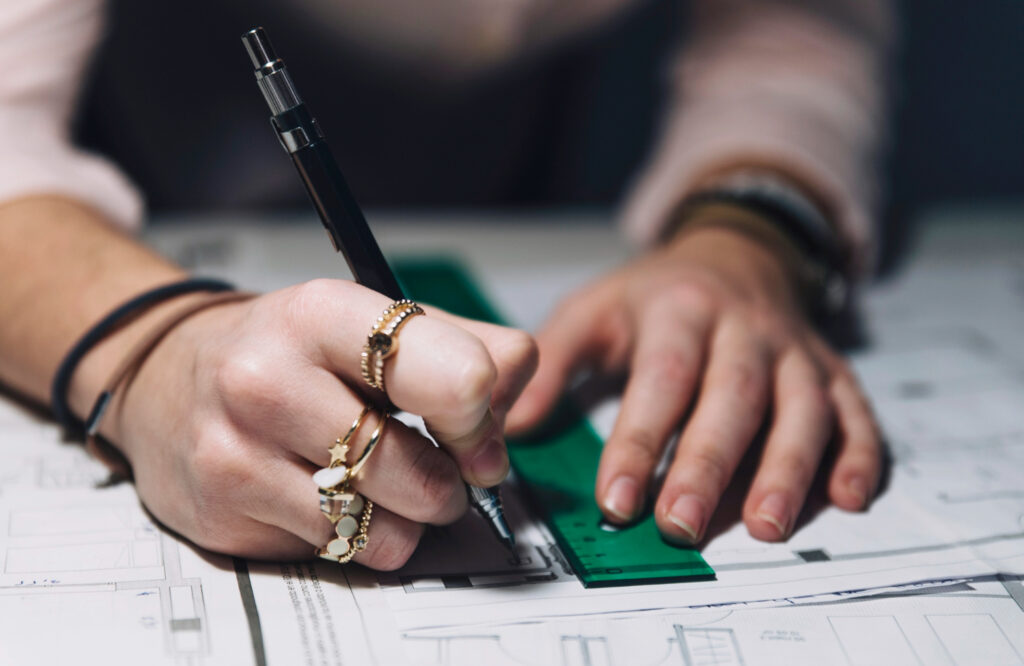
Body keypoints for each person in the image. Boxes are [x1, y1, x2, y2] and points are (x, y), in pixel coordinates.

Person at [0, 0, 891, 569]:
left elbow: (794, 35)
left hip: (523, 188)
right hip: (139, 204)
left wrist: (747, 228)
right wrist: (152, 344)